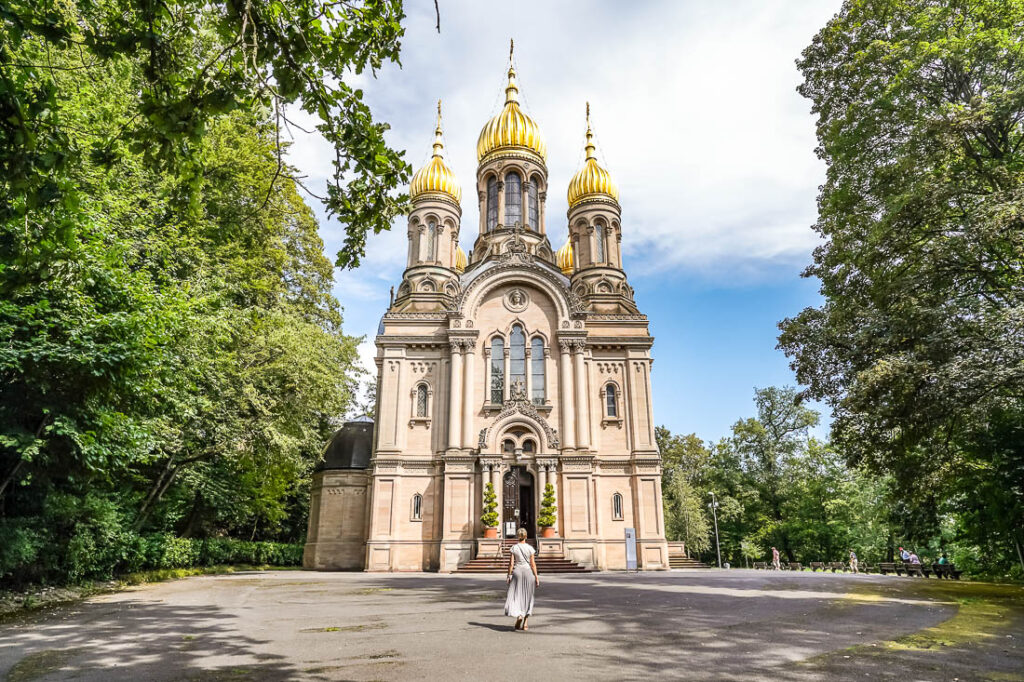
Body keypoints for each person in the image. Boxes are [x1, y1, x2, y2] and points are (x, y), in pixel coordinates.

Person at [504, 527, 539, 631]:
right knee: (528, 597)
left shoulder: (514, 548)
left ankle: (519, 615)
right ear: (526, 536)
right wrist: (536, 577)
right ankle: (525, 623)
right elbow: (533, 564)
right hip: (528, 572)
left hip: (517, 571)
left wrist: (509, 575)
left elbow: (511, 564)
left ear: (517, 536)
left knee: (517, 595)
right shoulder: (530, 548)